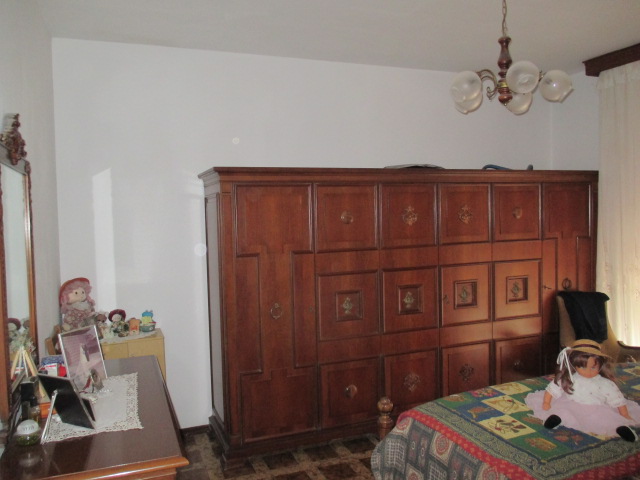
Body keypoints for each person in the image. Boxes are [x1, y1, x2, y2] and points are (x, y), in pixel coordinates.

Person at [525, 339, 640, 441]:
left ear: (600, 365)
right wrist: (546, 403)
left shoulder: (605, 383)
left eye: (593, 367)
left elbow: (617, 399)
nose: (588, 372)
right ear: (575, 365)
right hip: (571, 404)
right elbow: (553, 389)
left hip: (597, 409)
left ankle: (621, 428)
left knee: (607, 420)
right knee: (563, 412)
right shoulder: (570, 378)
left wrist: (624, 414)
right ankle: (555, 419)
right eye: (583, 367)